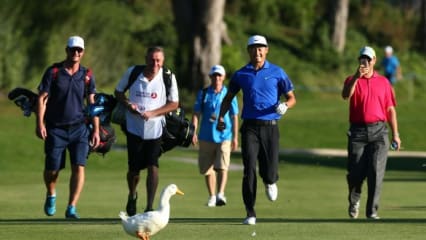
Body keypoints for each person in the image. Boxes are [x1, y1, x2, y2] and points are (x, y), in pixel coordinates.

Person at [217, 35, 296, 225]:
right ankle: (250, 212)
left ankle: (270, 180)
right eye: (254, 48)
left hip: (270, 128)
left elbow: (292, 97)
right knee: (249, 168)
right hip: (250, 127)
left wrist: (286, 106)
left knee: (269, 171)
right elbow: (228, 98)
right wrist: (221, 117)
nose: (257, 52)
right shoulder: (240, 74)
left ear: (267, 50)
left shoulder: (277, 72)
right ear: (249, 51)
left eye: (261, 48)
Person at [36, 36, 100, 219]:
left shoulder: (87, 75)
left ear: (83, 52)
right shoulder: (54, 72)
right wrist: (40, 123)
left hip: (79, 128)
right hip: (56, 128)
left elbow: (92, 103)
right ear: (67, 50)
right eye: (73, 49)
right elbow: (42, 98)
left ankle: (71, 206)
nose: (76, 53)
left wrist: (95, 129)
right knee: (52, 169)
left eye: (79, 50)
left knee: (79, 166)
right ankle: (51, 193)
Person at [114, 46, 179, 216]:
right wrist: (129, 105)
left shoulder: (168, 77)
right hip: (133, 128)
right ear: (146, 59)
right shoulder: (133, 72)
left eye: (158, 60)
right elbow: (118, 92)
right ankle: (132, 194)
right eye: (152, 59)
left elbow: (174, 104)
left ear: (162, 61)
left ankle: (149, 206)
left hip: (156, 128)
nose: (155, 63)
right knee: (134, 169)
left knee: (153, 165)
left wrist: (153, 113)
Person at [341, 46, 401, 219]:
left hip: (379, 131)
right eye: (362, 59)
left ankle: (372, 211)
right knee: (355, 173)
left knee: (376, 171)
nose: (365, 62)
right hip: (358, 132)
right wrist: (356, 78)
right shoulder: (351, 79)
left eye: (368, 59)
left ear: (374, 60)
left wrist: (396, 134)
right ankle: (354, 199)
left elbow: (390, 110)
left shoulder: (384, 82)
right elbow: (346, 95)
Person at [191, 65, 239, 207]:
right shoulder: (204, 93)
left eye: (219, 75)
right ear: (210, 77)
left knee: (223, 166)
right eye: (214, 75)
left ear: (223, 77)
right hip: (206, 136)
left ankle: (220, 194)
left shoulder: (229, 94)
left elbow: (234, 116)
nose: (217, 78)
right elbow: (196, 114)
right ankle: (212, 195)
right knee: (207, 169)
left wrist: (235, 137)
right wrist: (193, 131)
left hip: (225, 135)